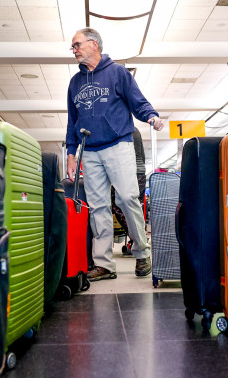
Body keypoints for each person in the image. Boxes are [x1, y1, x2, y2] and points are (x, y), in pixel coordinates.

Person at [65, 27, 164, 281]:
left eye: (77, 45)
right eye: (73, 47)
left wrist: (150, 115)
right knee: (97, 207)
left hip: (118, 145)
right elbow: (72, 121)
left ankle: (142, 253)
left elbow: (137, 101)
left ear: (94, 44)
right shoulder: (75, 83)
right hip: (90, 150)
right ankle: (105, 264)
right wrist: (71, 153)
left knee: (128, 198)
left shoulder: (117, 72)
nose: (74, 50)